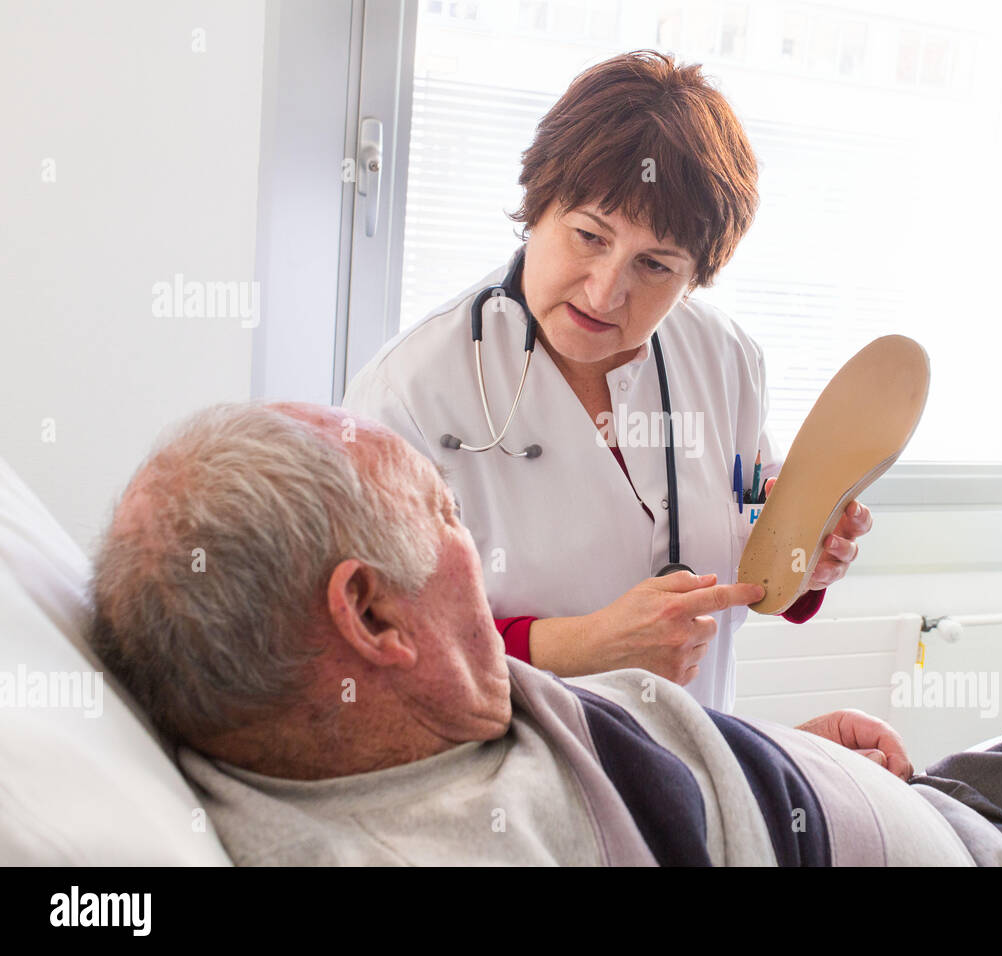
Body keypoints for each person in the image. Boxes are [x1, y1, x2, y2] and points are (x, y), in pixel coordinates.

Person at [88, 403, 1002, 866]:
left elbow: (755, 567)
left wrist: (764, 765)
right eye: (449, 518)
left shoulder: (341, 719)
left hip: (952, 798)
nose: (617, 288)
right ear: (367, 613)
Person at [342, 50, 874, 712]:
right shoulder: (410, 396)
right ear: (538, 204)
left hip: (693, 771)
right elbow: (374, 645)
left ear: (695, 278)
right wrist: (579, 646)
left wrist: (806, 553)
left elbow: (750, 509)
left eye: (655, 265)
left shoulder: (726, 359)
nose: (605, 290)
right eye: (590, 236)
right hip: (517, 786)